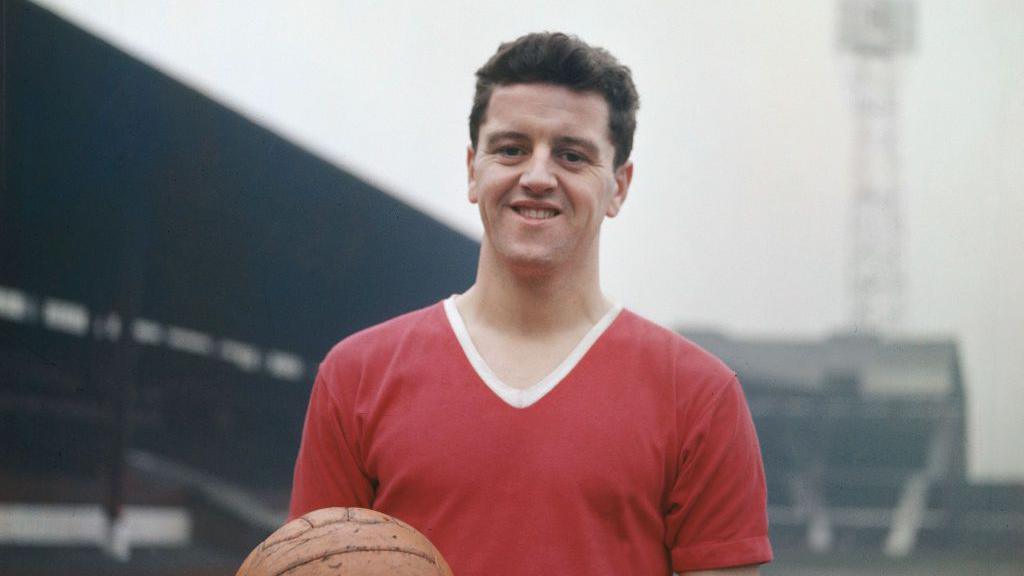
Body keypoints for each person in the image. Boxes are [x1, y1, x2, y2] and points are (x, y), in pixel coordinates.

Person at [289, 32, 772, 575]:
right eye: (511, 149)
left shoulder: (701, 397)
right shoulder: (355, 377)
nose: (537, 177)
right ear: (474, 169)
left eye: (572, 154)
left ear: (619, 186)